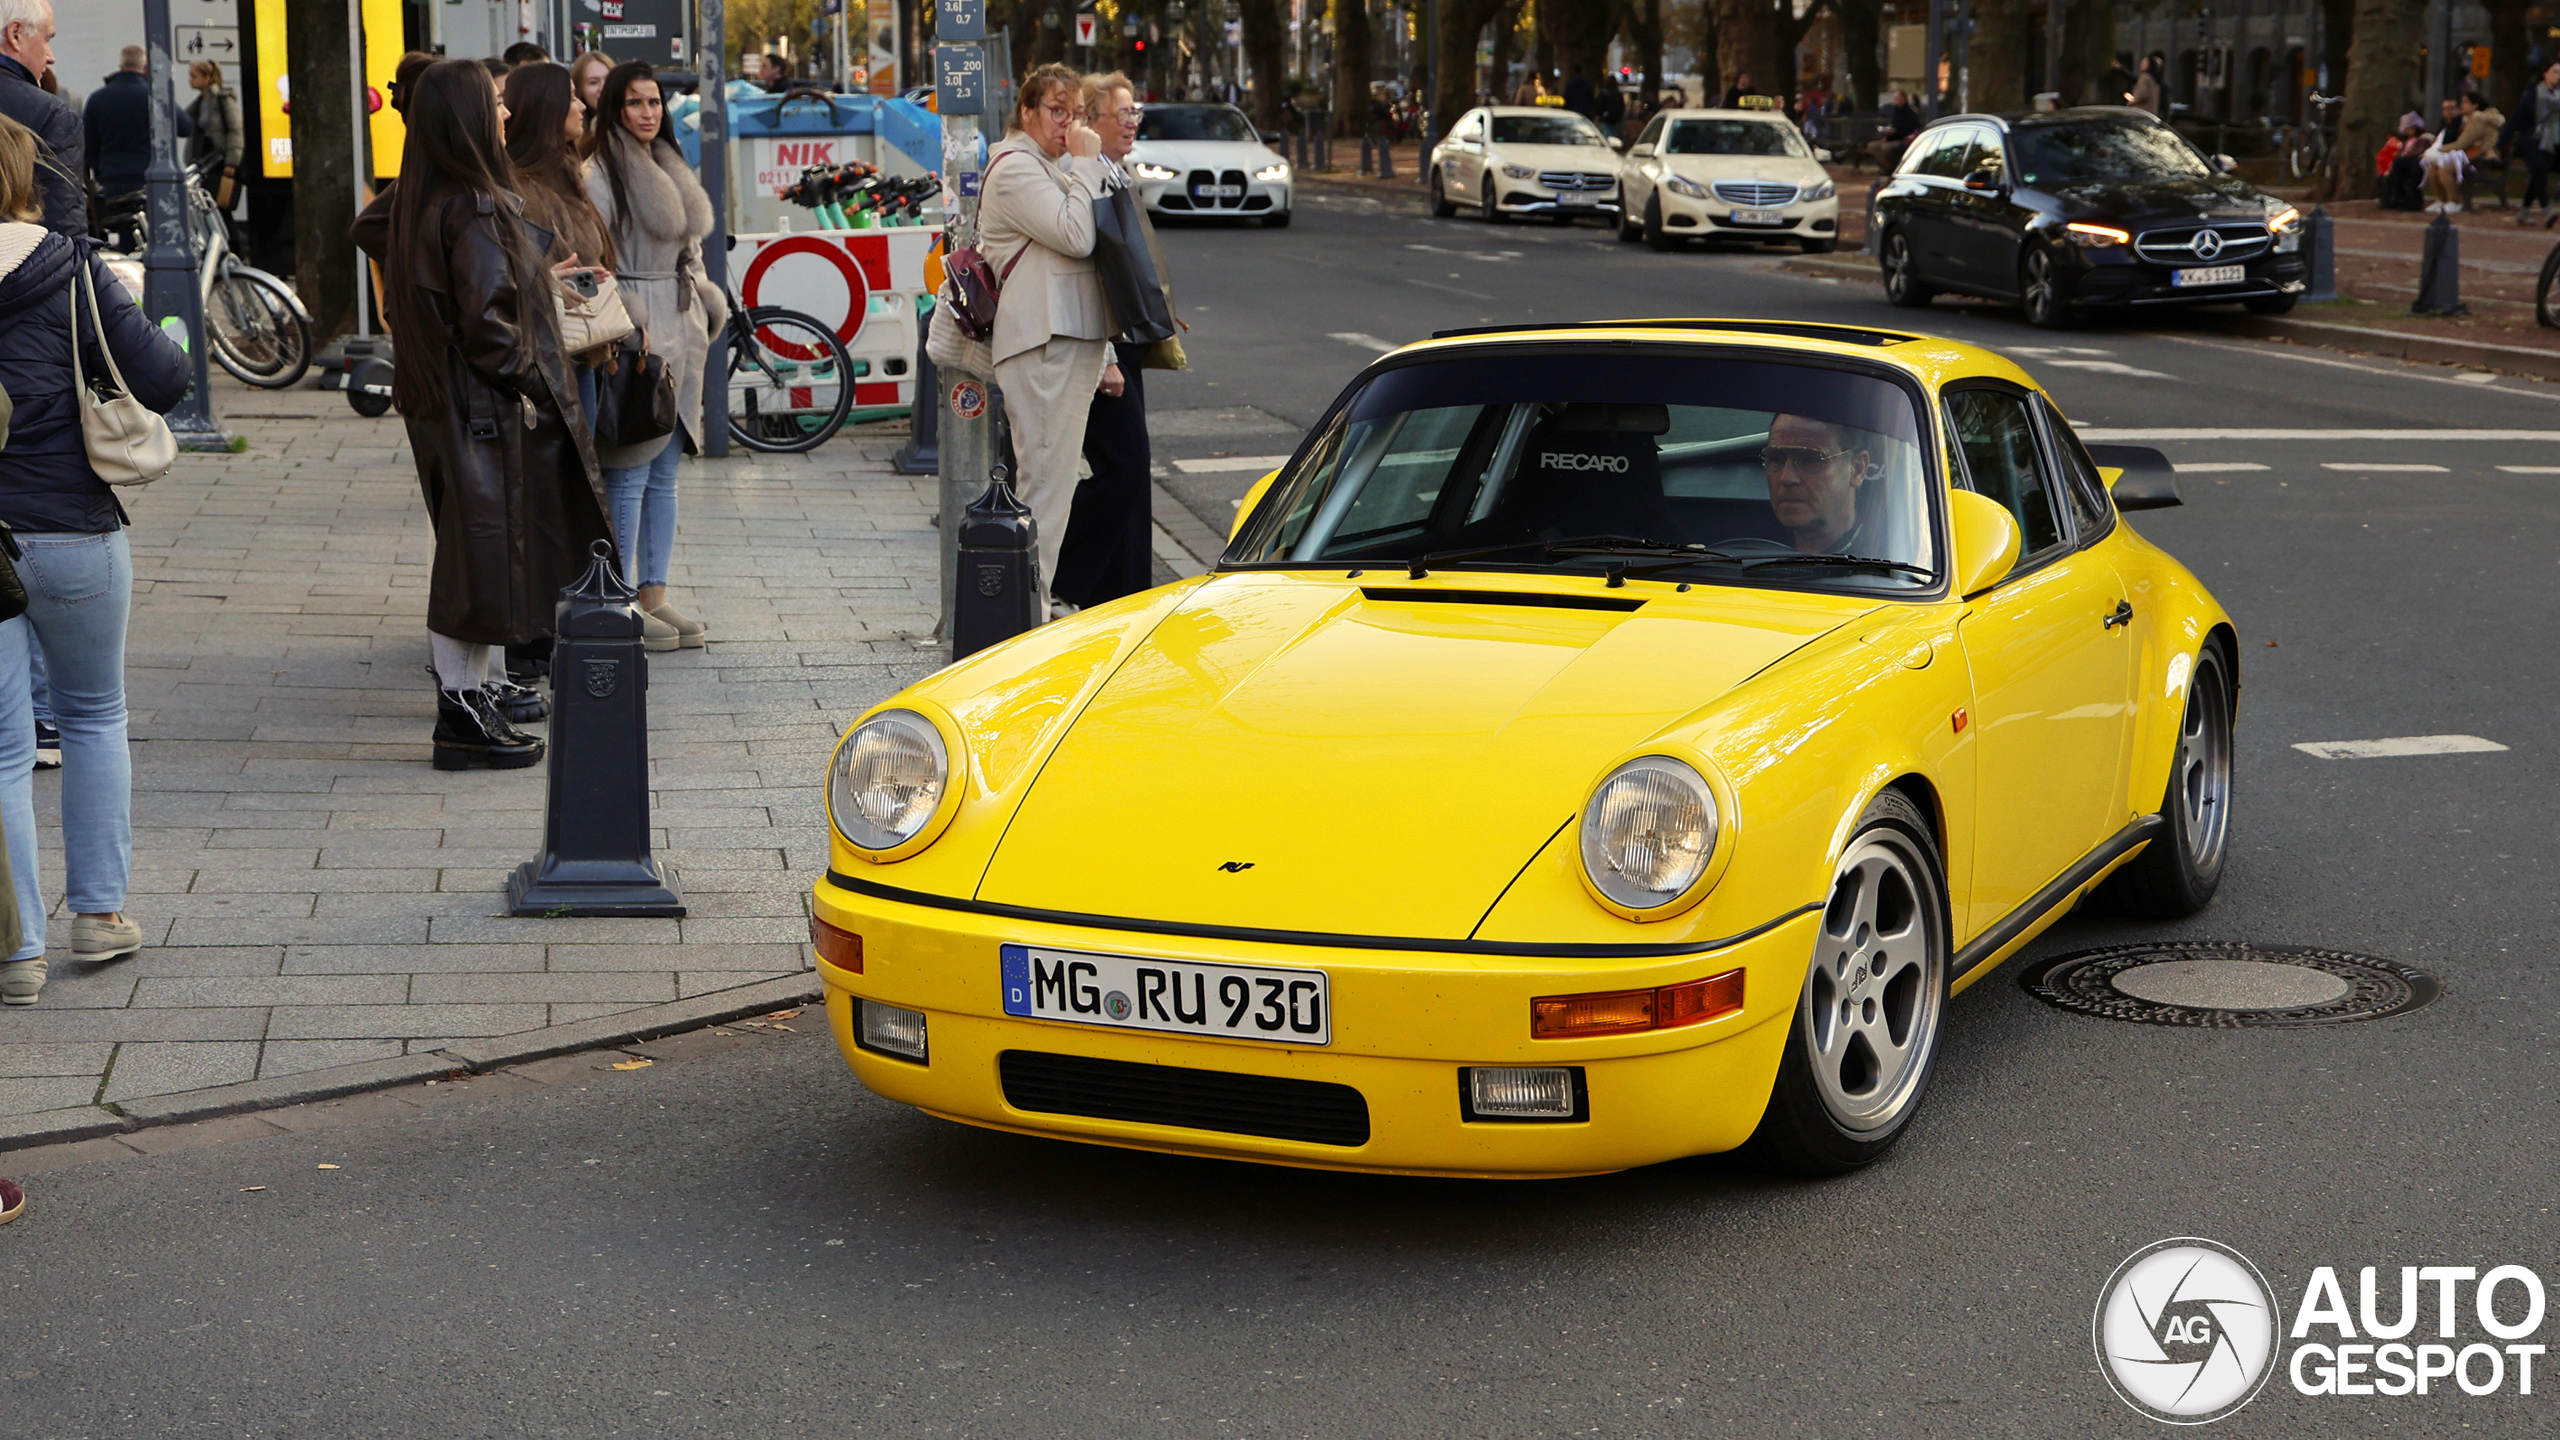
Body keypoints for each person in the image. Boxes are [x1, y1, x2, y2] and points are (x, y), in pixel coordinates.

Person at [0, 111, 188, 1003]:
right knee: (93, 715)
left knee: (0, 752)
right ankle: (100, 915)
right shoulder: (70, 266)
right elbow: (163, 379)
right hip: (74, 525)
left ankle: (17, 950)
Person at [381, 59, 609, 768]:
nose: (506, 115)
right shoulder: (475, 205)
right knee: (476, 565)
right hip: (483, 408)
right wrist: (534, 384)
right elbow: (489, 323)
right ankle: (463, 711)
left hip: (454, 403)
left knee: (471, 562)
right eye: (496, 105)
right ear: (471, 119)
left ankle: (470, 703)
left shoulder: (430, 196)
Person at [585, 59, 724, 650]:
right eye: (637, 103)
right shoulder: (598, 173)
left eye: (655, 103)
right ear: (616, 107)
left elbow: (689, 246)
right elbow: (593, 257)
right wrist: (629, 319)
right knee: (631, 469)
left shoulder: (667, 161)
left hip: (681, 322)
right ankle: (618, 599)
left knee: (666, 468)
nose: (649, 113)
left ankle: (654, 595)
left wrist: (706, 299)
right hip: (637, 329)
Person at [977, 62, 1110, 609]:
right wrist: (1085, 161)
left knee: (1054, 485)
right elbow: (1078, 235)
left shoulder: (1045, 164)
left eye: (1076, 113)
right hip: (1042, 344)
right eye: (1057, 111)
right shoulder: (1015, 167)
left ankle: (1030, 604)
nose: (1068, 124)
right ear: (1026, 112)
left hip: (1058, 340)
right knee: (1046, 489)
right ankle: (1023, 614)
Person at [1057, 71, 1173, 611]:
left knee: (1131, 469)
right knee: (1122, 467)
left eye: (1135, 113)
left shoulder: (1113, 171)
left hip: (1123, 339)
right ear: (1092, 121)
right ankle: (1063, 578)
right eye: (1121, 114)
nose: (1131, 123)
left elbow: (1128, 263)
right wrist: (1105, 354)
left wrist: (1157, 311)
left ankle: (1124, 593)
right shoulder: (1079, 176)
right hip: (1099, 345)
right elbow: (1086, 269)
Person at [0, 0, 77, 235]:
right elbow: (64, 231)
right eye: (47, 39)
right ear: (15, 34)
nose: (51, 56)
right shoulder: (51, 114)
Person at [83, 44, 185, 211]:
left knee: (124, 226)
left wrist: (102, 172)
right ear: (146, 68)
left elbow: (89, 146)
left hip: (112, 178)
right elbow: (185, 127)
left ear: (121, 66)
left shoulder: (97, 98)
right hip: (149, 178)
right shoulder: (154, 97)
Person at [1761, 415, 1869, 554]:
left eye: (1810, 460)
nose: (1786, 478)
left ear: (1857, 469)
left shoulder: (1892, 556)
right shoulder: (1745, 548)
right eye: (1776, 459)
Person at [2425, 91, 2503, 212]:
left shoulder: (2477, 119)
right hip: (2468, 153)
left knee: (2445, 169)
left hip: (2481, 155)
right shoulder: (2467, 119)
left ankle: (2454, 201)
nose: (2462, 105)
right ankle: (2442, 199)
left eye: (2465, 102)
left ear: (2475, 105)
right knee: (2432, 168)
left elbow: (2463, 143)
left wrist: (2438, 150)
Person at [185, 59, 242, 205]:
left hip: (219, 159)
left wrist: (232, 162)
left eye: (194, 76)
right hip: (205, 158)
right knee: (205, 203)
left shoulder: (223, 99)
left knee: (221, 203)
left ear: (207, 78)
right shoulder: (199, 103)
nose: (190, 80)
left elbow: (235, 129)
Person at [2380, 112, 2428, 210]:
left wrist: (2407, 155)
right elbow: (2400, 153)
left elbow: (2419, 151)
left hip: (2415, 161)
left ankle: (2413, 200)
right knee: (2395, 168)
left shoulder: (2422, 139)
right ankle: (2397, 198)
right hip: (2404, 162)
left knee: (2405, 165)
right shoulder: (2404, 142)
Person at [1867, 89, 1919, 170]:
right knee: (1872, 145)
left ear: (1904, 99)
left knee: (1886, 148)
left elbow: (1906, 130)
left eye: (1898, 99)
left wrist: (1892, 135)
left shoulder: (1910, 114)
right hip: (1893, 137)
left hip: (1902, 139)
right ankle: (1883, 165)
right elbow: (1894, 126)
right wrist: (1887, 134)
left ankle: (1890, 167)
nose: (1896, 101)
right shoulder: (1896, 112)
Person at [2131, 53, 2166, 118]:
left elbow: (2142, 94)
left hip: (2141, 112)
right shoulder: (2156, 80)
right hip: (2151, 114)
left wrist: (2132, 102)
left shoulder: (2144, 77)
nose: (2141, 64)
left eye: (2144, 62)